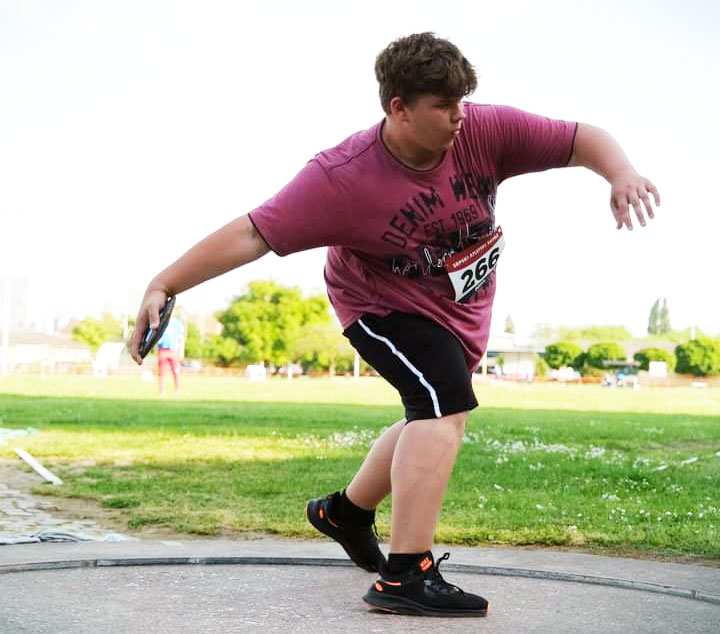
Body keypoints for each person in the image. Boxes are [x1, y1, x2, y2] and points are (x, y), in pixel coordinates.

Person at [130, 33, 659, 617]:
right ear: (398, 107)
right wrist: (165, 282)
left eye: (462, 101)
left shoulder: (484, 129)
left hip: (456, 308)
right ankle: (406, 574)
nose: (458, 117)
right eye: (443, 105)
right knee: (442, 402)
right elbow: (253, 232)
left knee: (435, 414)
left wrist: (621, 172)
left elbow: (580, 138)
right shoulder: (341, 177)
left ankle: (345, 512)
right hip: (378, 305)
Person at [156, 316, 185, 395]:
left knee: (176, 371)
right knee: (161, 372)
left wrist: (181, 351)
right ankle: (162, 390)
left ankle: (177, 389)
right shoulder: (161, 322)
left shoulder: (178, 323)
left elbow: (181, 338)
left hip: (173, 350)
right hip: (162, 350)